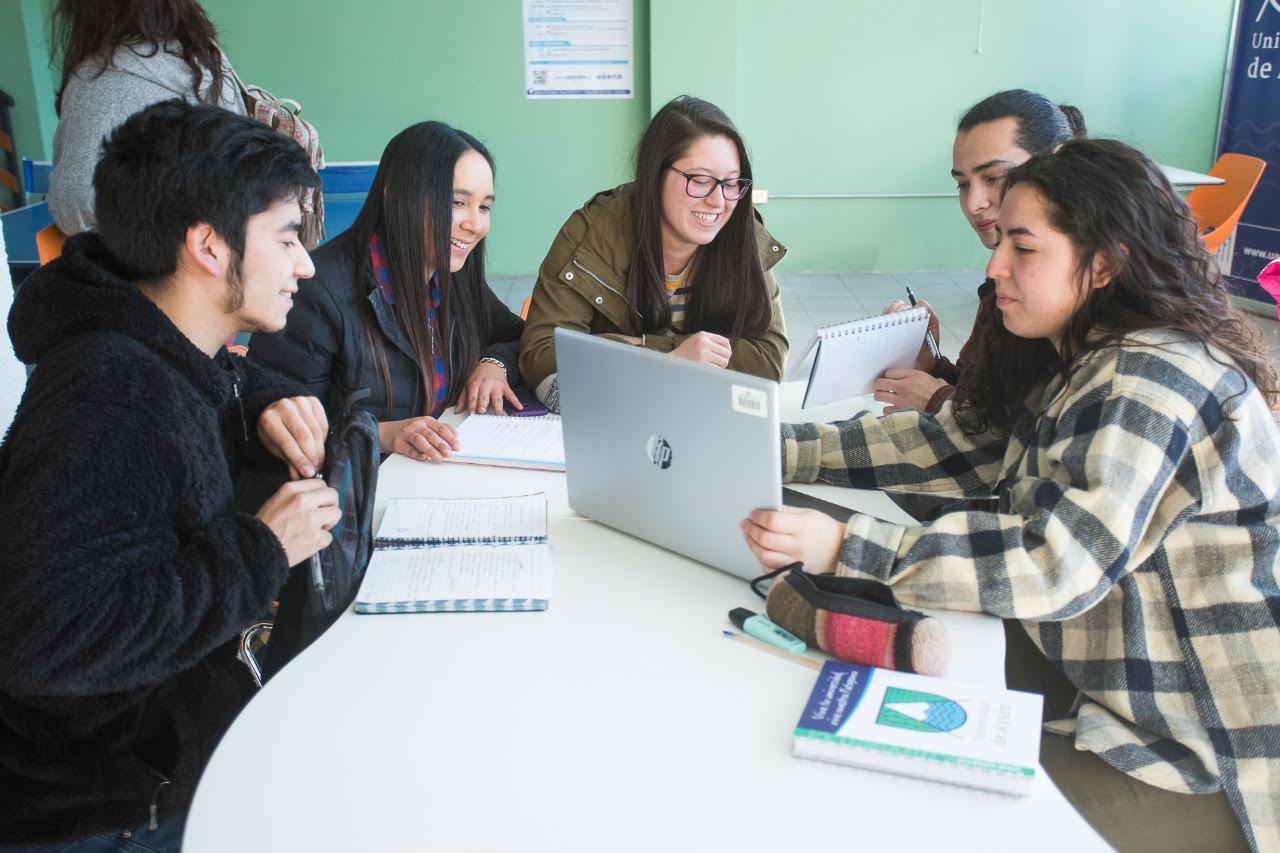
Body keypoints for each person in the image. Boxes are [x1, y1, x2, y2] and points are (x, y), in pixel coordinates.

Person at [742, 139, 1279, 852]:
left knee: (913, 799)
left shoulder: (1150, 379)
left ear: (1105, 263)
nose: (994, 265)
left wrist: (847, 545)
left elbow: (1052, 561)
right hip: (1098, 677)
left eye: (1022, 247)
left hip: (1198, 756)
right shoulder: (1084, 355)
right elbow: (946, 446)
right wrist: (766, 446)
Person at [0, 100, 340, 851]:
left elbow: (209, 380)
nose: (305, 264)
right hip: (103, 810)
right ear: (209, 248)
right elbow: (45, 640)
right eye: (287, 238)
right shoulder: (108, 395)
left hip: (163, 757)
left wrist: (264, 399)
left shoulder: (165, 341)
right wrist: (262, 549)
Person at [249, 121, 524, 464]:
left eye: (484, 207)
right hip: (354, 496)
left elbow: (520, 337)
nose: (475, 224)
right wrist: (384, 434)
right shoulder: (316, 292)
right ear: (396, 195)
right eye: (456, 202)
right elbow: (278, 428)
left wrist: (493, 364)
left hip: (433, 474)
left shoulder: (454, 275)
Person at [518, 95, 788, 410]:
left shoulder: (743, 233)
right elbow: (542, 356)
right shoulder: (592, 233)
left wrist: (652, 348)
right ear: (654, 174)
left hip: (706, 414)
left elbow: (769, 361)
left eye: (731, 183)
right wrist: (669, 359)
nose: (719, 201)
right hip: (618, 416)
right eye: (700, 181)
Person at [874, 89, 1086, 415]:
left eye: (994, 177)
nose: (975, 203)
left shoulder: (1095, 312)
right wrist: (932, 367)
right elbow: (985, 397)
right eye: (962, 184)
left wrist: (941, 401)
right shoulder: (998, 288)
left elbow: (1034, 438)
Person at [46, 0, 247, 235]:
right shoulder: (206, 59)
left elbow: (75, 206)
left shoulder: (98, 78)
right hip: (229, 245)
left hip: (155, 261)